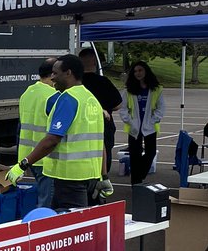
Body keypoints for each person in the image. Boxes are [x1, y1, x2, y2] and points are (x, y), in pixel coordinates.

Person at [8, 53, 108, 211]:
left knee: (69, 222)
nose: (52, 77)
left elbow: (52, 140)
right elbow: (100, 142)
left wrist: (23, 164)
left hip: (69, 177)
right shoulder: (91, 99)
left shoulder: (67, 99)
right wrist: (104, 175)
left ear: (68, 73)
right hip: (91, 176)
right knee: (77, 219)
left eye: (55, 73)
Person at [16, 58, 57, 210]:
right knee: (47, 202)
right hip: (46, 155)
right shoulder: (53, 95)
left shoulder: (27, 93)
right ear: (53, 74)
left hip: (29, 155)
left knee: (42, 196)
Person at [78, 46, 123, 175]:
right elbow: (118, 104)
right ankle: (103, 178)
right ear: (94, 61)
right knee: (104, 155)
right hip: (103, 125)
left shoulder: (77, 83)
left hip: (81, 126)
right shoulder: (103, 82)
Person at [121, 62, 165, 185]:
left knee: (150, 153)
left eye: (140, 70)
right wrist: (129, 121)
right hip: (134, 127)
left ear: (146, 71)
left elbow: (161, 108)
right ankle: (136, 183)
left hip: (149, 126)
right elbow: (123, 109)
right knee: (135, 155)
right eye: (135, 71)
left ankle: (139, 175)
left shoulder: (156, 89)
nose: (138, 73)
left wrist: (153, 120)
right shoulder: (128, 90)